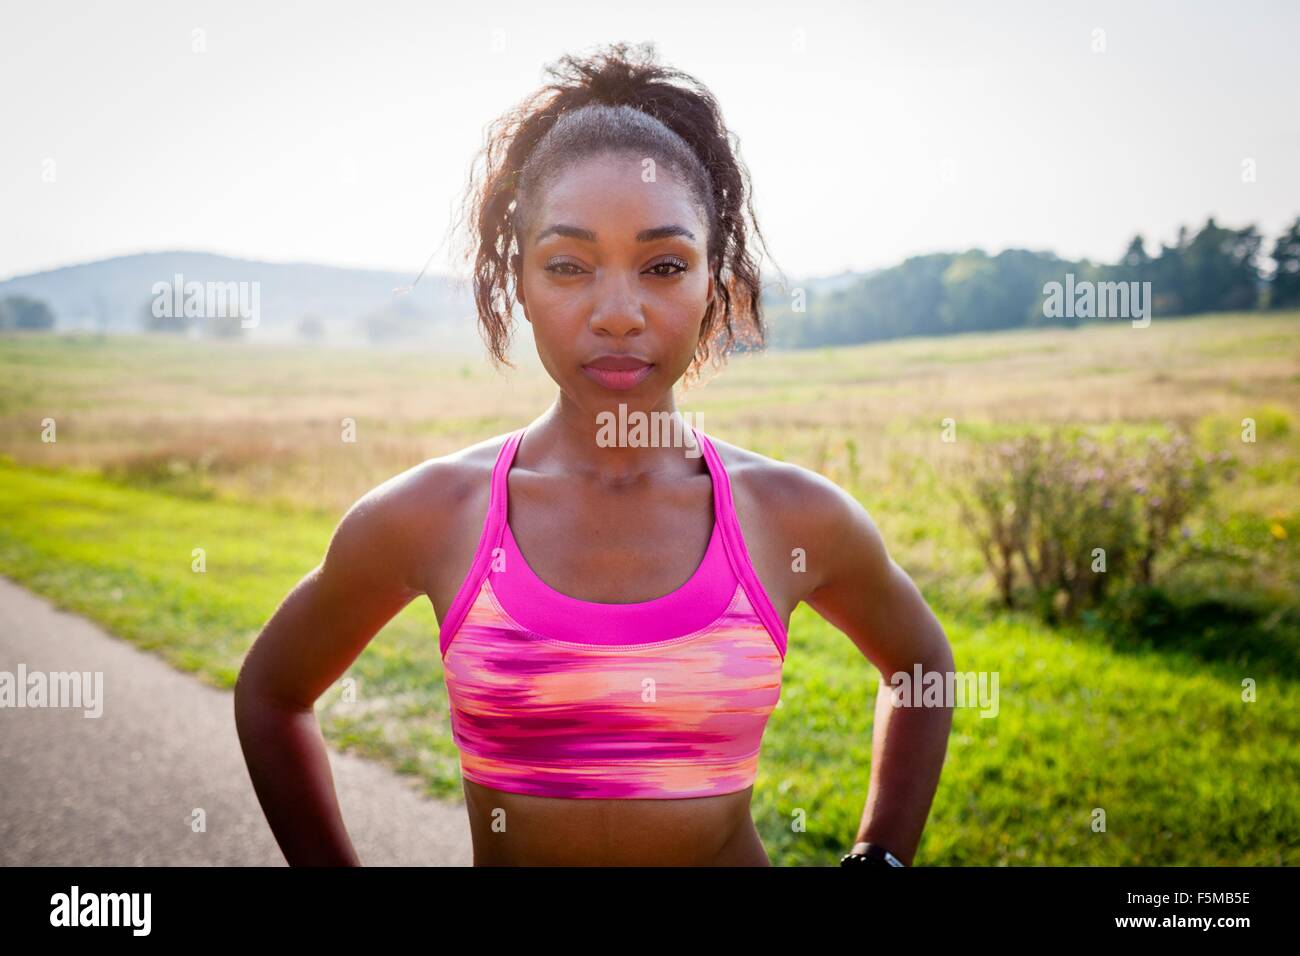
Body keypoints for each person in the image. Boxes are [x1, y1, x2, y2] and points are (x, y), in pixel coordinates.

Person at [234, 41, 953, 867]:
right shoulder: (432, 516)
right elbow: (273, 694)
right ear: (520, 280)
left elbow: (921, 665)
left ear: (713, 279)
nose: (617, 312)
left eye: (663, 265)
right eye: (569, 265)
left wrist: (882, 857)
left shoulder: (791, 516)